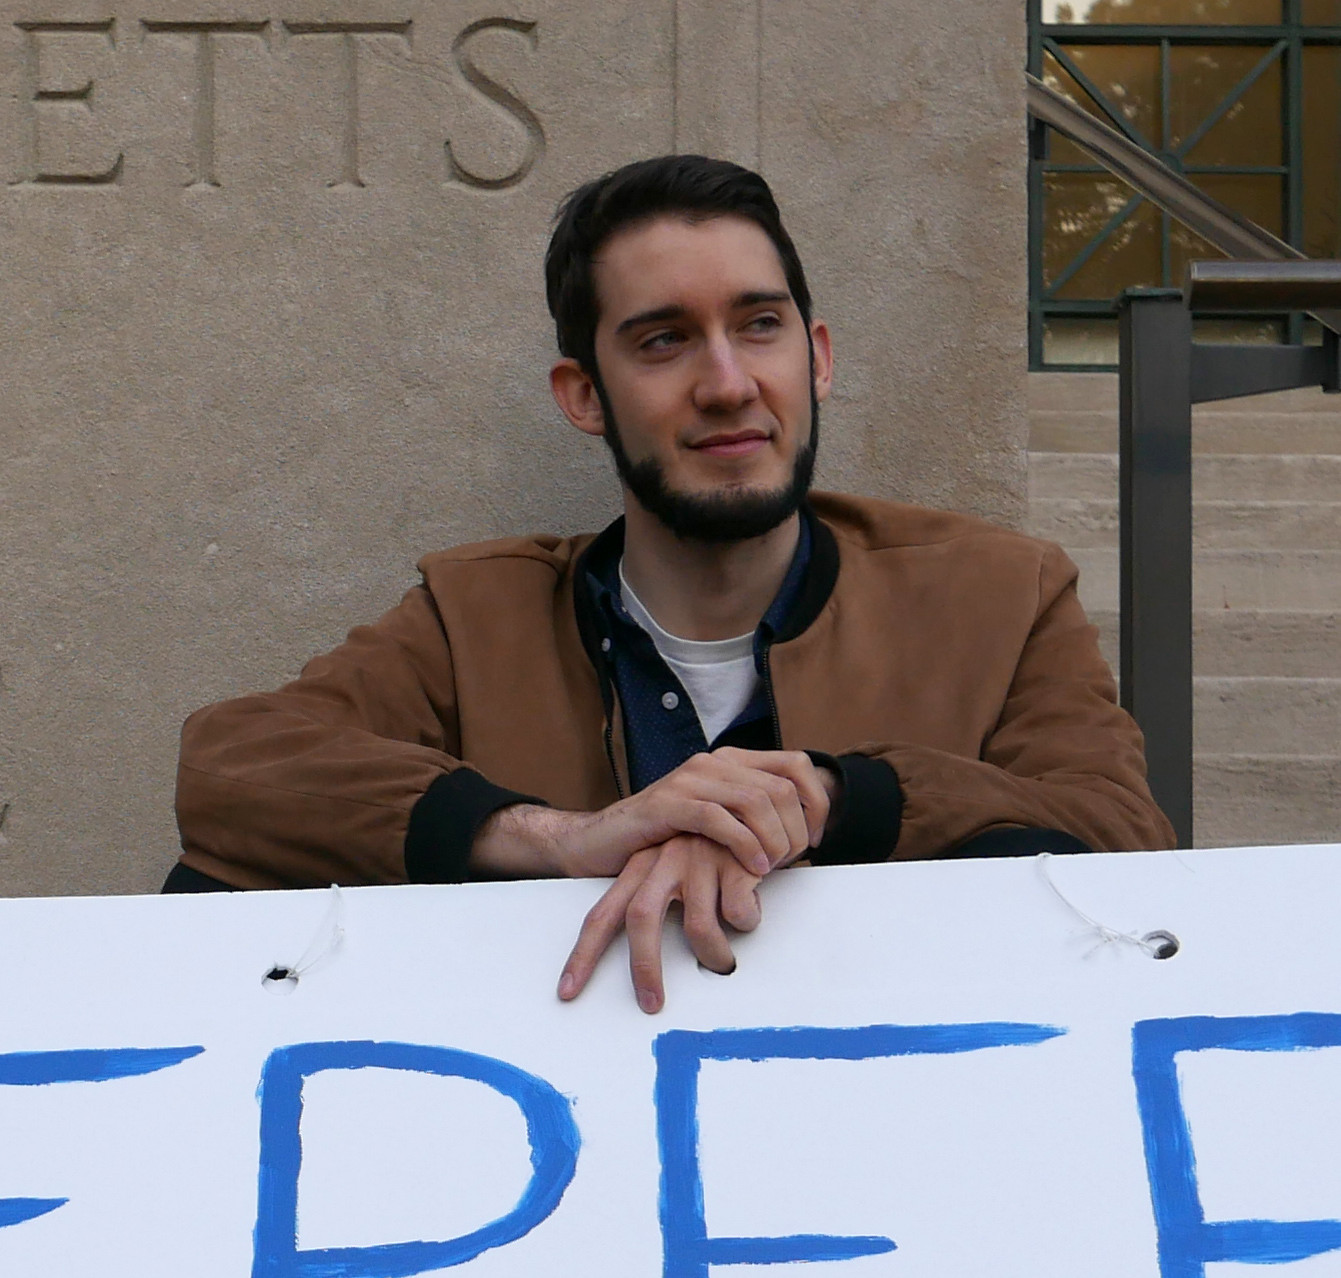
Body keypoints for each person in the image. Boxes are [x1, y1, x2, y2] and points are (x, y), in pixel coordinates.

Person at [168, 153, 1173, 1007]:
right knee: (207, 889)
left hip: (896, 1104)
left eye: (761, 326)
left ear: (816, 358)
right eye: (663, 341)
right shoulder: (476, 614)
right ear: (584, 396)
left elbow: (1129, 841)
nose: (729, 382)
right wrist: (566, 840)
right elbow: (233, 770)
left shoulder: (998, 595)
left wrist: (827, 800)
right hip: (563, 1100)